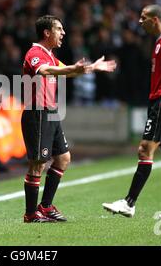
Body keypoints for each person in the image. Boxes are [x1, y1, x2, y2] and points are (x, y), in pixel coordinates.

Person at [21, 15, 117, 223]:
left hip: (50, 112)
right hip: (38, 113)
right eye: (59, 29)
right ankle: (30, 214)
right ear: (47, 32)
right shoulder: (35, 53)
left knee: (63, 158)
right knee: (38, 164)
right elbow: (47, 71)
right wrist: (73, 68)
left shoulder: (49, 55)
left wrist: (92, 68)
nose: (63, 33)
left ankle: (45, 207)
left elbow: (67, 72)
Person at [102, 4, 161, 218]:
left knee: (144, 149)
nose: (139, 22)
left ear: (155, 19)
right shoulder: (160, 41)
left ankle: (129, 203)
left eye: (143, 18)